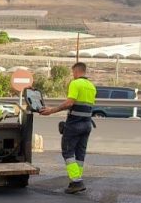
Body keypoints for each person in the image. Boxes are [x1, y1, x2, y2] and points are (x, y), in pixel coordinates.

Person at [39, 62, 97, 194]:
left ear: (76, 72)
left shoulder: (75, 83)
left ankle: (76, 181)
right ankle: (75, 180)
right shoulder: (91, 86)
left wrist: (51, 110)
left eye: (73, 73)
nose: (73, 75)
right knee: (80, 154)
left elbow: (70, 102)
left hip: (74, 124)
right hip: (87, 124)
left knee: (68, 152)